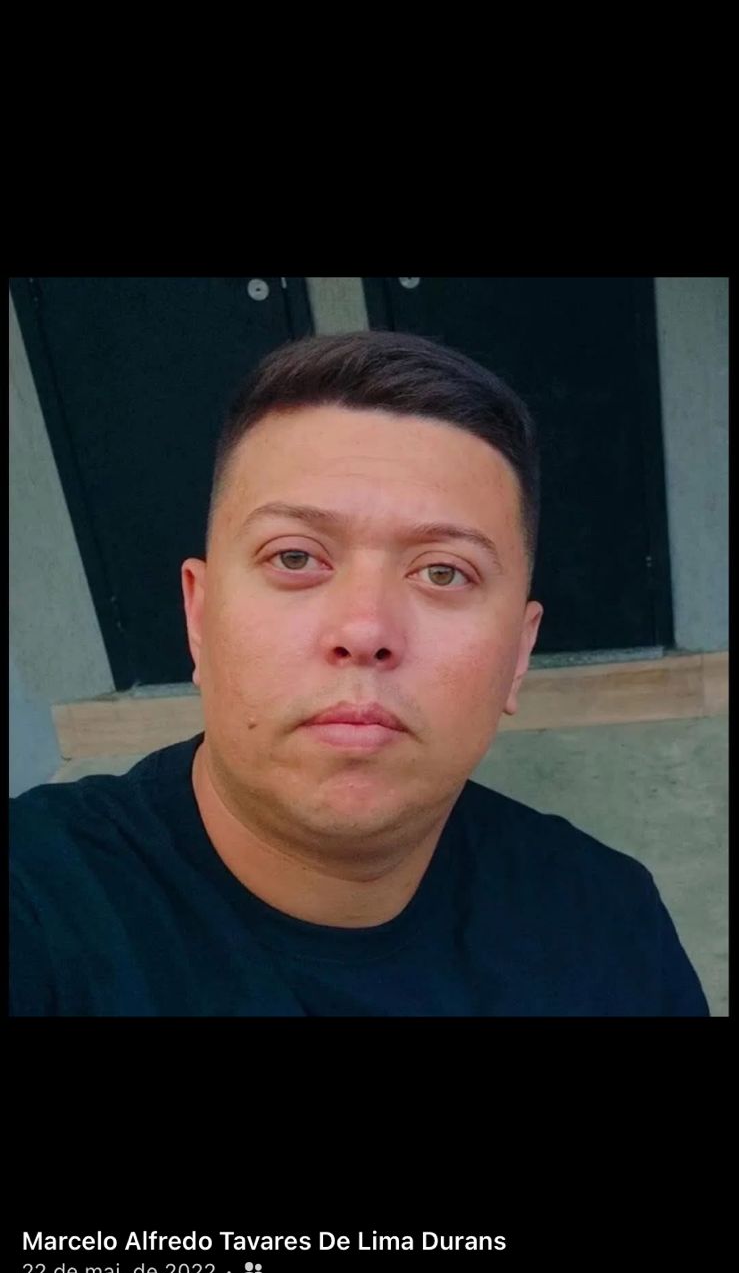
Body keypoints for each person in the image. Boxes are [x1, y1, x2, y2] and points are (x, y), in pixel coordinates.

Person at [10, 331, 709, 1017]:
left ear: (518, 655)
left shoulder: (610, 929)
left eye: (443, 572)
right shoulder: (39, 908)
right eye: (294, 557)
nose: (365, 630)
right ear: (199, 615)